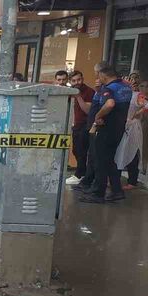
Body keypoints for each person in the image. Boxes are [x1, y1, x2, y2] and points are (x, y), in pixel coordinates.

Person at [80, 63, 132, 203]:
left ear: (103, 75)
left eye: (98, 75)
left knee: (100, 160)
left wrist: (98, 116)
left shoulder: (109, 88)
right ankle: (116, 190)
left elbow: (109, 104)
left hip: (106, 129)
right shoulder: (126, 87)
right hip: (118, 129)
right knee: (109, 160)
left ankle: (98, 193)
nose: (98, 78)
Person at [65, 71, 97, 185]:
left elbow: (87, 110)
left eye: (79, 80)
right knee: (76, 150)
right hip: (76, 124)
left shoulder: (88, 91)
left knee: (81, 150)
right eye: (74, 81)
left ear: (82, 79)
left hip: (85, 124)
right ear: (70, 82)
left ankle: (80, 174)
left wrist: (78, 97)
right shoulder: (71, 91)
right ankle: (83, 173)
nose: (77, 82)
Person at [116, 80, 146, 189]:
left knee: (132, 151)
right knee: (118, 151)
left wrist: (139, 112)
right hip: (122, 125)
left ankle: (132, 180)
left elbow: (145, 105)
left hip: (133, 126)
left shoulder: (139, 95)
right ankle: (115, 178)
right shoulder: (123, 94)